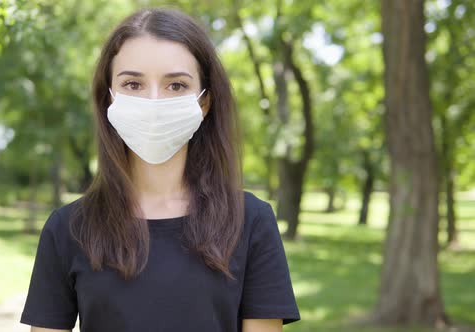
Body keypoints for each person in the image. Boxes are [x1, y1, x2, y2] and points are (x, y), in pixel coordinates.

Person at [20, 7, 300, 332]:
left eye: (176, 86)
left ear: (204, 102)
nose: (153, 102)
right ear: (109, 98)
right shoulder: (67, 228)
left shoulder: (250, 220)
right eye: (133, 85)